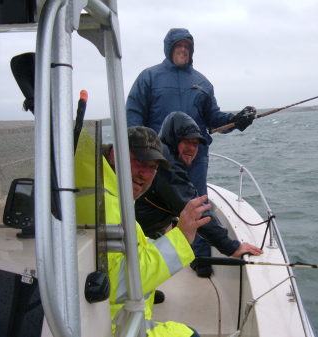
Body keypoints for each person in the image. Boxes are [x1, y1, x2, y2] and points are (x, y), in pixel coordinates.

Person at [126, 27, 256, 263]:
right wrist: (139, 150)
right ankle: (146, 260)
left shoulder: (202, 83)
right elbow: (133, 115)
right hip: (158, 157)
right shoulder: (149, 77)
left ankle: (201, 258)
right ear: (169, 48)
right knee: (148, 207)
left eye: (187, 47)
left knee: (197, 203)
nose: (183, 50)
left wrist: (236, 121)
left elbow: (214, 119)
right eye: (179, 46)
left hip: (195, 156)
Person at [75, 126, 209, 337]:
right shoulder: (107, 207)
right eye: (139, 162)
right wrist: (181, 238)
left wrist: (162, 241)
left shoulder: (96, 189)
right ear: (114, 154)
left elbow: (120, 254)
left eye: (153, 167)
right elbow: (119, 285)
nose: (145, 174)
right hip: (111, 326)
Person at [135, 111, 263, 278]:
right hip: (138, 232)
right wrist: (232, 247)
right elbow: (195, 209)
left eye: (195, 143)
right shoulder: (168, 165)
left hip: (143, 227)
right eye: (186, 142)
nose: (192, 148)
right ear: (173, 139)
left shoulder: (164, 152)